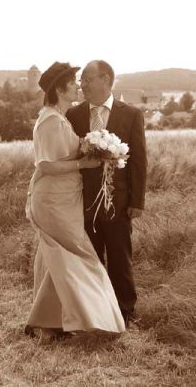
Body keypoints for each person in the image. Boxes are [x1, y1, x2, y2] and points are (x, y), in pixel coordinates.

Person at [25, 62, 125, 339]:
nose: (78, 86)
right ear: (59, 90)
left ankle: (49, 322)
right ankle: (95, 319)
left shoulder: (58, 118)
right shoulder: (51, 120)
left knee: (55, 260)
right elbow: (46, 166)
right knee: (79, 256)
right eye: (72, 83)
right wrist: (84, 163)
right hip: (54, 201)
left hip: (64, 198)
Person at [67, 60, 147, 326]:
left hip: (119, 202)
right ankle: (96, 312)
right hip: (83, 201)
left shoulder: (131, 114)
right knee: (90, 259)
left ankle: (126, 312)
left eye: (87, 79)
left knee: (120, 259)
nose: (83, 85)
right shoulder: (73, 115)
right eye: (81, 81)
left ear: (106, 79)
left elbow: (139, 161)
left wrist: (137, 201)